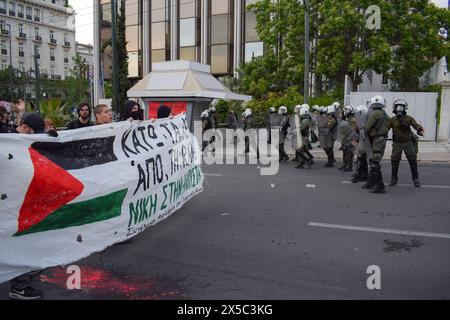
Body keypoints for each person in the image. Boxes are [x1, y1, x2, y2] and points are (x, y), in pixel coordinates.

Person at [8, 112, 55, 300]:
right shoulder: (7, 140)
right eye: (35, 133)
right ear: (26, 128)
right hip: (10, 205)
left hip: (19, 202)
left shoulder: (18, 140)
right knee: (17, 242)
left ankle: (23, 276)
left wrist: (51, 141)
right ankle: (19, 286)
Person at [388, 99, 424, 188]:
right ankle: (394, 179)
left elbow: (416, 125)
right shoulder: (392, 119)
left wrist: (419, 128)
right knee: (394, 161)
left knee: (412, 160)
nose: (399, 109)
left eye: (401, 107)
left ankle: (415, 179)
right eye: (397, 107)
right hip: (397, 143)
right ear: (394, 108)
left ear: (405, 108)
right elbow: (386, 129)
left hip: (408, 142)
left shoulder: (409, 118)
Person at [363, 95, 390, 194]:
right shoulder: (386, 115)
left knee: (374, 162)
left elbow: (367, 127)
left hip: (376, 141)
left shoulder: (374, 114)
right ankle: (371, 182)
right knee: (373, 160)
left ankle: (380, 186)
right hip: (382, 140)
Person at [351, 105, 370, 183]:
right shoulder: (358, 121)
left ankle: (360, 175)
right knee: (361, 159)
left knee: (363, 159)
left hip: (366, 143)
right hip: (360, 142)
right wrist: (354, 143)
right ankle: (362, 174)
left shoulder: (367, 121)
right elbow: (355, 132)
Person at [338, 105, 356, 172]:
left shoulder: (353, 119)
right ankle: (345, 164)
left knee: (350, 152)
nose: (345, 111)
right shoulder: (348, 119)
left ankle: (349, 166)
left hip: (352, 138)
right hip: (346, 138)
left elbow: (353, 130)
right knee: (345, 151)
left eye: (346, 110)